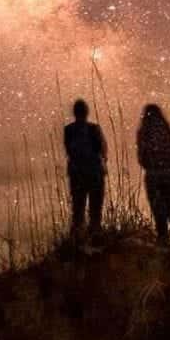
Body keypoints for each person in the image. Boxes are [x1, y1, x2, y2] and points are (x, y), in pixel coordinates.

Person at [137, 104, 170, 252]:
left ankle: (164, 243)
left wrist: (150, 164)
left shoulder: (144, 132)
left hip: (153, 174)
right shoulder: (168, 131)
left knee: (159, 210)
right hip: (169, 174)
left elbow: (142, 158)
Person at [62, 99, 106, 238]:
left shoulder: (68, 130)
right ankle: (96, 239)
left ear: (74, 113)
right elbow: (102, 150)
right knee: (95, 211)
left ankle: (77, 243)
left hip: (77, 175)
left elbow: (69, 151)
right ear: (87, 112)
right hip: (95, 174)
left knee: (78, 211)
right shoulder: (94, 128)